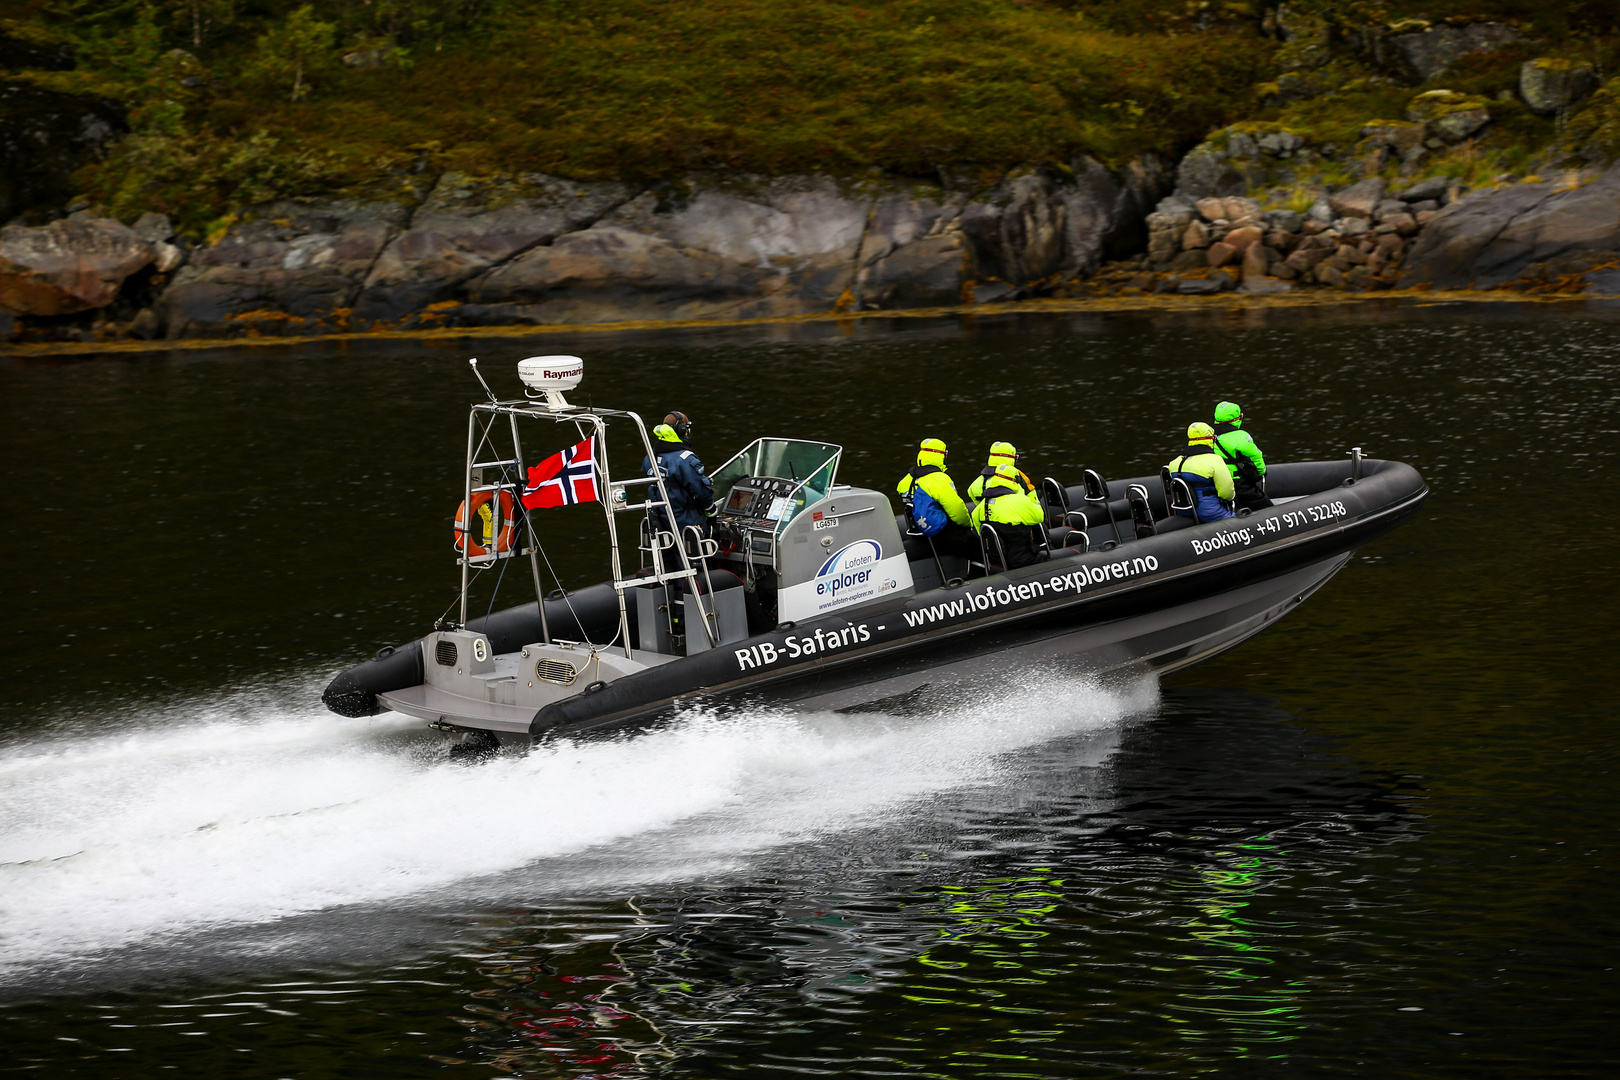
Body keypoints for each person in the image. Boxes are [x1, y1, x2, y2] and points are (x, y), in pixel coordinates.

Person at [896, 438, 979, 560]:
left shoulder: (904, 482)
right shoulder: (940, 480)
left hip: (921, 535)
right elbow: (957, 510)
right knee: (980, 548)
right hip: (943, 535)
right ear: (940, 455)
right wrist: (969, 524)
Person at [642, 411, 713, 538]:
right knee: (693, 555)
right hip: (686, 521)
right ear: (681, 430)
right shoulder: (686, 459)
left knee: (666, 556)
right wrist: (711, 512)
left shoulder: (650, 456)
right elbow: (701, 491)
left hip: (660, 522)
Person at [969, 463, 1048, 569]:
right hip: (1025, 560)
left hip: (1000, 562)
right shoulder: (1020, 501)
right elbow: (1039, 517)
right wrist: (1032, 496)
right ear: (1015, 481)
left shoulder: (981, 507)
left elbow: (979, 529)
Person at [1167, 422, 1236, 522]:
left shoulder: (1174, 463)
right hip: (1210, 513)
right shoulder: (1214, 460)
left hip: (1184, 511)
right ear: (1210, 439)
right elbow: (1227, 492)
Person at [1212, 400, 1271, 511]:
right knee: (1268, 509)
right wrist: (1261, 472)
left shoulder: (1208, 435)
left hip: (1216, 484)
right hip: (1239, 484)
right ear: (1236, 419)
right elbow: (1256, 457)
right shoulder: (1241, 437)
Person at [967, 441, 1037, 501]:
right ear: (1011, 458)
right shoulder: (1018, 477)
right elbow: (1032, 499)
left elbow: (971, 494)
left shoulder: (975, 484)